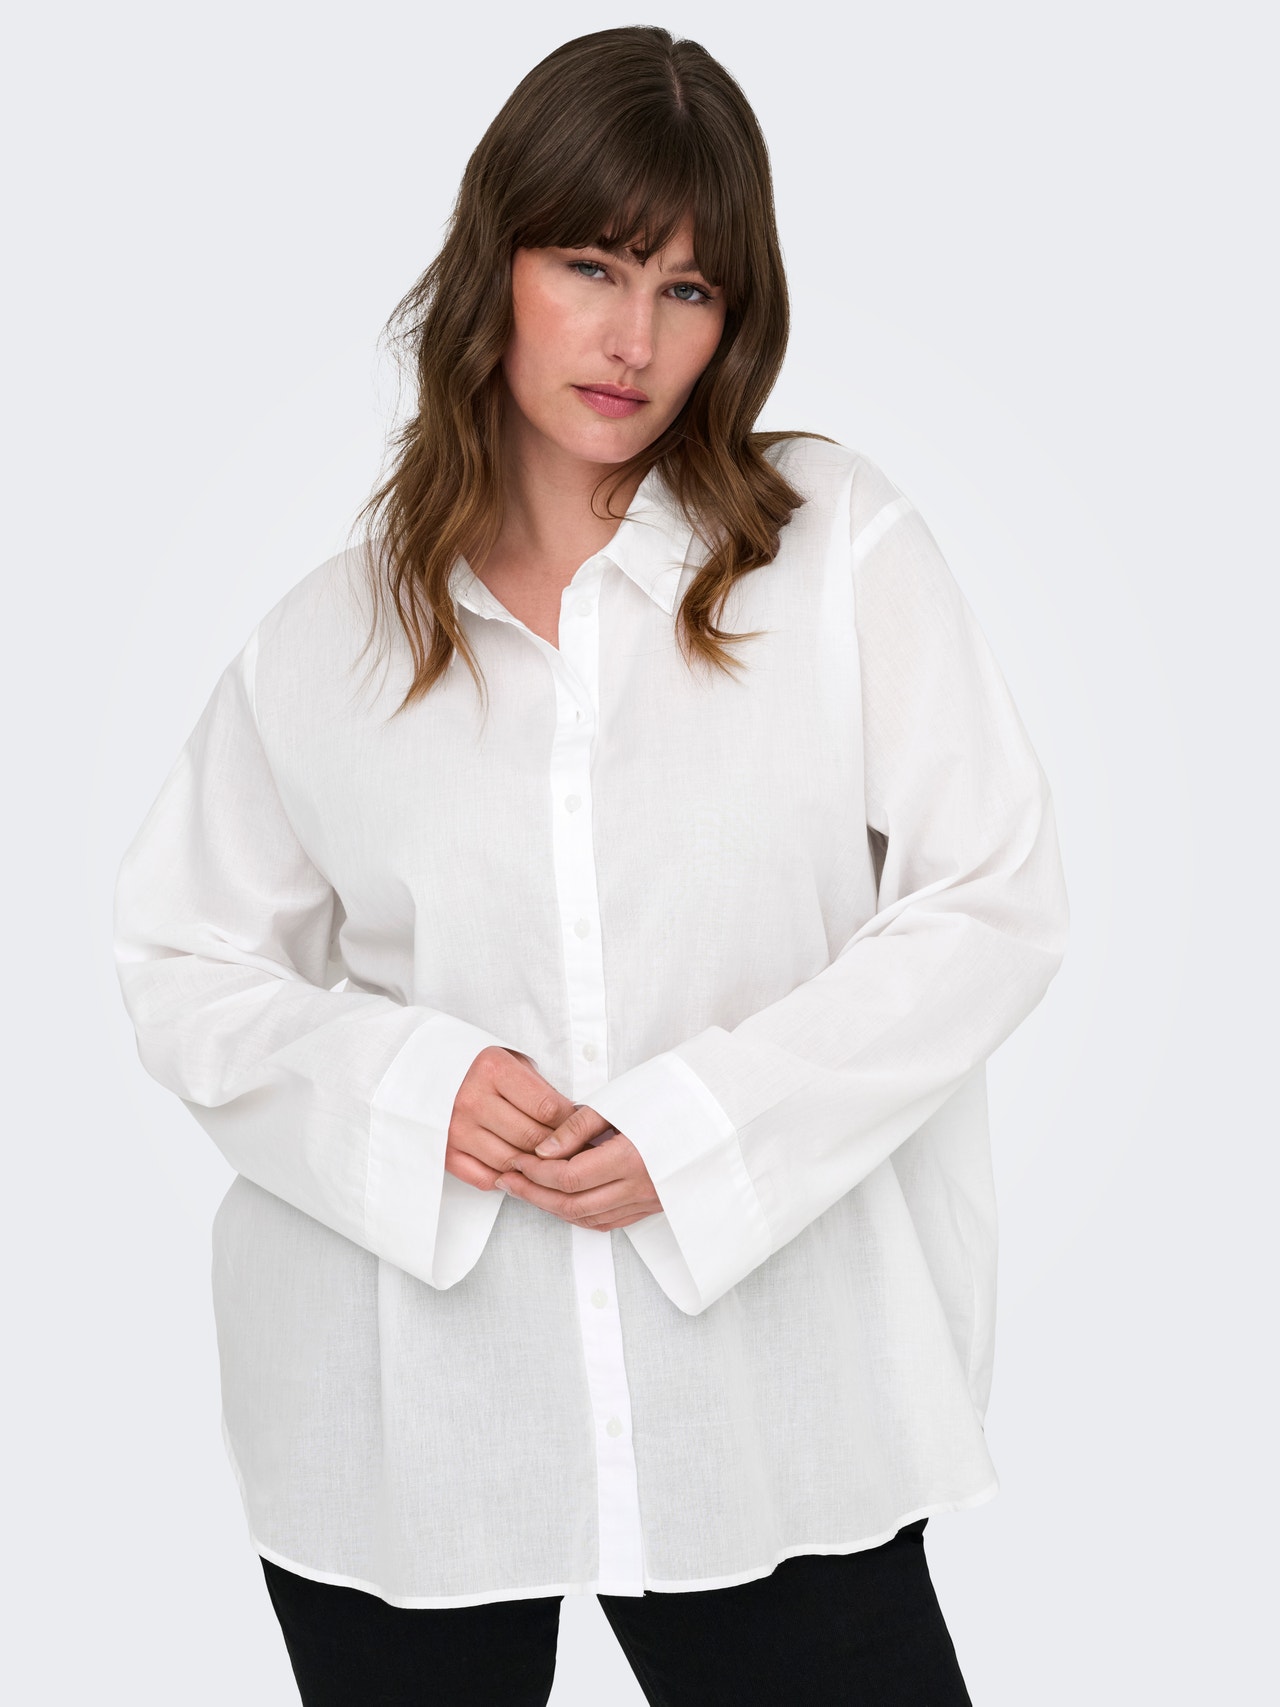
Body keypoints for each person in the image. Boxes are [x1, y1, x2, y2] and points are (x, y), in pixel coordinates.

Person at [112, 23, 1069, 1707]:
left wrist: (699, 1132)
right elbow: (183, 962)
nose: (634, 339)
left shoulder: (833, 550)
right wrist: (412, 1091)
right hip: (405, 1426)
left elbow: (990, 900)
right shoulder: (329, 641)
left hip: (771, 1409)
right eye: (593, 266)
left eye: (689, 290)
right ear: (498, 264)